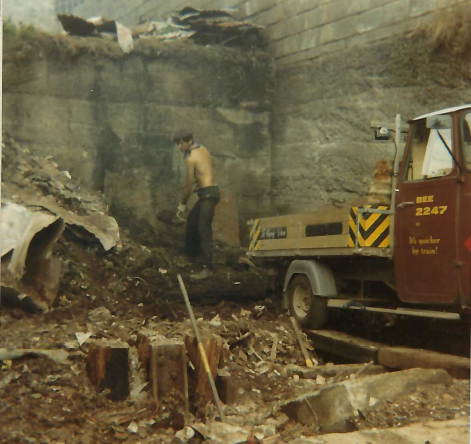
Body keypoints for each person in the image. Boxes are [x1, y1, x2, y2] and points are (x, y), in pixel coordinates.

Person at [173, 129, 220, 280]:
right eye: (178, 144)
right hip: (210, 191)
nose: (179, 147)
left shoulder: (190, 158)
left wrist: (182, 203)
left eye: (181, 143)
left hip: (208, 194)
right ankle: (192, 256)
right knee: (192, 221)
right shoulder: (203, 148)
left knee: (203, 228)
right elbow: (210, 165)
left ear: (189, 141)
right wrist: (201, 180)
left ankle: (208, 268)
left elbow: (187, 185)